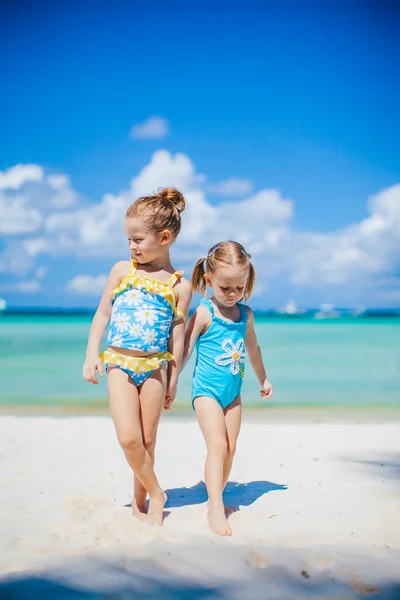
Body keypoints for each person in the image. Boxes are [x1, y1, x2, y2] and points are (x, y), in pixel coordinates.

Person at [83, 188, 192, 526]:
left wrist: (174, 377)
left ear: (164, 237)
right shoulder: (121, 270)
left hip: (156, 367)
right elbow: (103, 313)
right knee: (129, 438)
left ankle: (141, 501)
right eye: (128, 239)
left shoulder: (179, 286)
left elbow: (178, 336)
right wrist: (91, 355)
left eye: (138, 239)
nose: (131, 246)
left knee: (148, 440)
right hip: (119, 361)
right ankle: (158, 491)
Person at [182, 241, 273, 536]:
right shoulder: (205, 312)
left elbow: (254, 349)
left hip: (233, 394)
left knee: (230, 449)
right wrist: (169, 383)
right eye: (225, 288)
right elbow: (184, 349)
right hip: (206, 391)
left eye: (239, 288)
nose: (232, 294)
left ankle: (215, 497)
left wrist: (263, 379)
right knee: (217, 446)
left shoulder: (245, 315)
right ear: (209, 281)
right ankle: (215, 508)